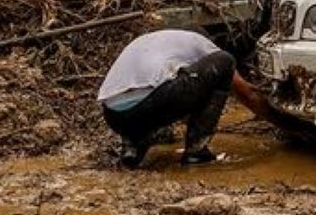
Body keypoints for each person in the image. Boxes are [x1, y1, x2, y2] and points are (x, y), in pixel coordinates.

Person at [98, 28, 264, 168]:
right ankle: (197, 152)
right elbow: (245, 92)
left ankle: (131, 150)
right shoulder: (199, 41)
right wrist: (276, 118)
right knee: (225, 61)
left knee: (147, 94)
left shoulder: (154, 41)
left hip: (113, 114)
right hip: (152, 102)